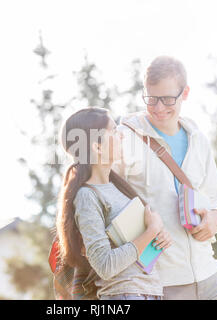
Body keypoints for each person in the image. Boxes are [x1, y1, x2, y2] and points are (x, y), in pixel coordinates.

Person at [112, 56, 217, 300]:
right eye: (152, 99)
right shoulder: (125, 138)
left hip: (210, 273)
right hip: (162, 282)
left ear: (185, 93)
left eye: (168, 99)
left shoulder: (198, 140)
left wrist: (216, 217)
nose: (159, 108)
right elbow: (107, 204)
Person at [55, 107, 173, 300]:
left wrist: (158, 237)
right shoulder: (87, 196)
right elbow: (105, 265)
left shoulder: (118, 187)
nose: (122, 137)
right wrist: (151, 231)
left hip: (150, 292)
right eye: (114, 131)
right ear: (97, 147)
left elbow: (138, 245)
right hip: (124, 295)